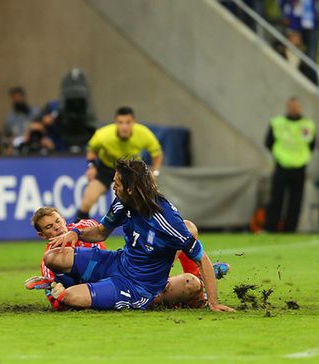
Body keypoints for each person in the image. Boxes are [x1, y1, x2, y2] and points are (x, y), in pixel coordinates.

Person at [39, 159, 234, 312]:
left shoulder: (165, 220)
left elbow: (202, 257)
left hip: (136, 285)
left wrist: (214, 303)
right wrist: (76, 233)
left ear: (131, 189)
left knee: (71, 297)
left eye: (117, 183)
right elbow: (101, 232)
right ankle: (80, 285)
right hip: (117, 261)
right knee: (52, 258)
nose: (113, 187)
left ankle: (182, 293)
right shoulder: (122, 202)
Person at [26, 206, 230, 310]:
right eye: (49, 228)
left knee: (187, 230)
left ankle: (200, 281)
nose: (57, 228)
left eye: (57, 221)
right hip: (113, 285)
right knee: (182, 286)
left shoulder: (83, 227)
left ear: (64, 219)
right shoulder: (50, 260)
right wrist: (53, 288)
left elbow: (99, 232)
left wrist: (75, 234)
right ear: (42, 236)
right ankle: (189, 287)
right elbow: (57, 301)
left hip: (126, 267)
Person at [75, 106, 163, 222]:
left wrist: (154, 173)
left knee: (148, 201)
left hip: (132, 172)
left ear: (133, 122)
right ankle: (79, 234)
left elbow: (157, 154)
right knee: (87, 201)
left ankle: (151, 232)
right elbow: (92, 150)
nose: (124, 127)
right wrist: (92, 166)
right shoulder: (103, 135)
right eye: (120, 123)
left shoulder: (144, 133)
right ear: (116, 122)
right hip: (106, 169)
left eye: (128, 122)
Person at [264, 97, 316, 233]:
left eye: (296, 106)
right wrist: (281, 156)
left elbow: (311, 144)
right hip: (281, 166)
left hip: (300, 167)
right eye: (292, 106)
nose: (294, 108)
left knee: (296, 201)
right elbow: (268, 142)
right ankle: (271, 228)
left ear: (300, 107)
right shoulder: (277, 123)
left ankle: (290, 229)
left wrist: (299, 157)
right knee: (276, 198)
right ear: (287, 107)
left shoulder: (308, 125)